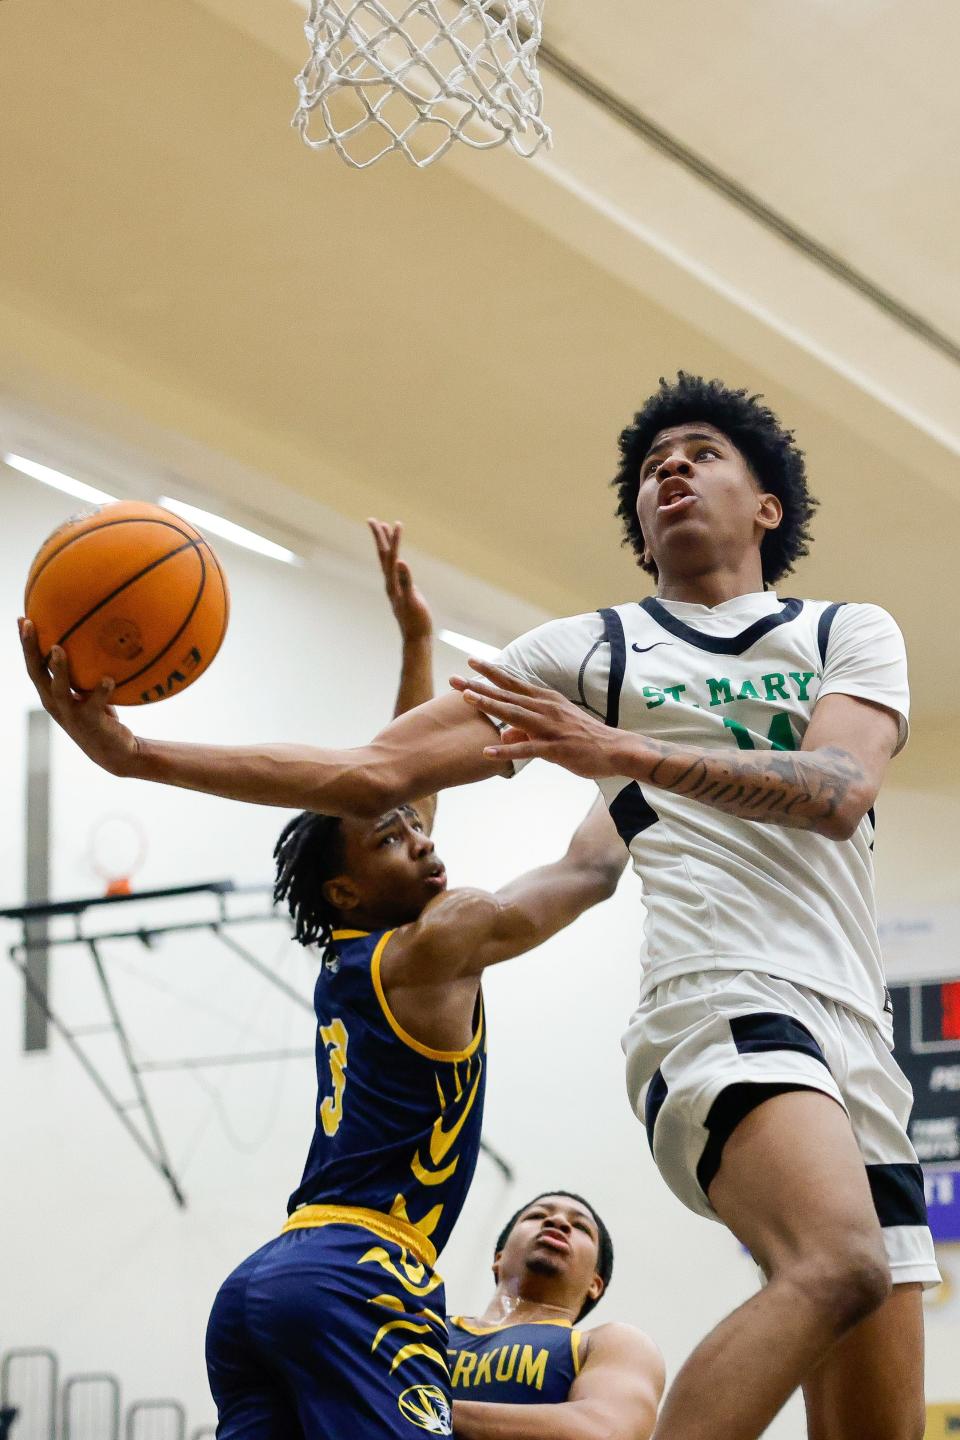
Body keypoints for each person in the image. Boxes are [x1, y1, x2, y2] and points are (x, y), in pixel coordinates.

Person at [19, 373, 938, 1439]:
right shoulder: (586, 654)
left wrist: (623, 762)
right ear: (641, 529)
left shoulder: (847, 630)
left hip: (856, 1035)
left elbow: (837, 793)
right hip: (721, 1004)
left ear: (768, 505)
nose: (670, 472)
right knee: (835, 1263)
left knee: (876, 1375)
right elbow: (372, 774)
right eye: (650, 470)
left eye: (699, 453)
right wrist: (140, 757)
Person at [200, 521, 628, 1439]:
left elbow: (394, 786)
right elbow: (590, 876)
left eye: (416, 827)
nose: (421, 837)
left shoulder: (357, 947)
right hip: (362, 1279)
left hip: (264, 1287)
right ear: (349, 885)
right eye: (394, 839)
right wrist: (637, 755)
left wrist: (417, 645)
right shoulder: (442, 941)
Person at [448, 1191, 663, 1440]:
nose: (558, 1222)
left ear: (595, 1283)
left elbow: (606, 1432)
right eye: (538, 1215)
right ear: (499, 1258)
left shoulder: (610, 1344)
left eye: (581, 1226)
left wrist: (429, 1411)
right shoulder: (427, 1328)